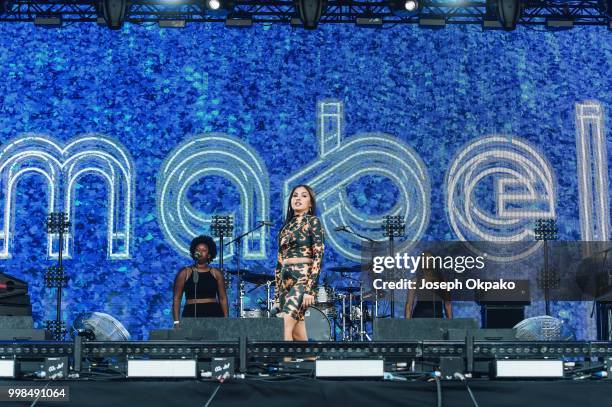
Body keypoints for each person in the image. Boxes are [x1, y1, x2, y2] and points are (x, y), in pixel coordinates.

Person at [274, 184, 325, 341]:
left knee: (284, 326)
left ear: (310, 204)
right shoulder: (285, 227)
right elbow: (279, 263)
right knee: (297, 334)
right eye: (295, 195)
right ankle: (312, 361)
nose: (298, 198)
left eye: (304, 196)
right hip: (285, 281)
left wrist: (310, 289)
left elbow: (318, 255)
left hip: (302, 279)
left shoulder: (313, 222)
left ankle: (285, 365)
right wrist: (277, 296)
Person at [172, 235, 229, 327]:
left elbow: (223, 298)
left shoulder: (216, 273)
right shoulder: (184, 273)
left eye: (204, 250)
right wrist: (176, 321)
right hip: (191, 313)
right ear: (193, 252)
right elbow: (176, 299)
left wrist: (226, 320)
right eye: (198, 250)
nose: (200, 252)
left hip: (213, 314)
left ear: (209, 254)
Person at [404, 251, 453, 319]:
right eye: (425, 259)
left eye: (430, 259)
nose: (427, 262)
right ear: (421, 262)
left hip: (437, 318)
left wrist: (451, 323)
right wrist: (407, 325)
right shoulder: (416, 281)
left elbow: (448, 304)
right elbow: (409, 305)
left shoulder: (442, 281)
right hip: (420, 318)